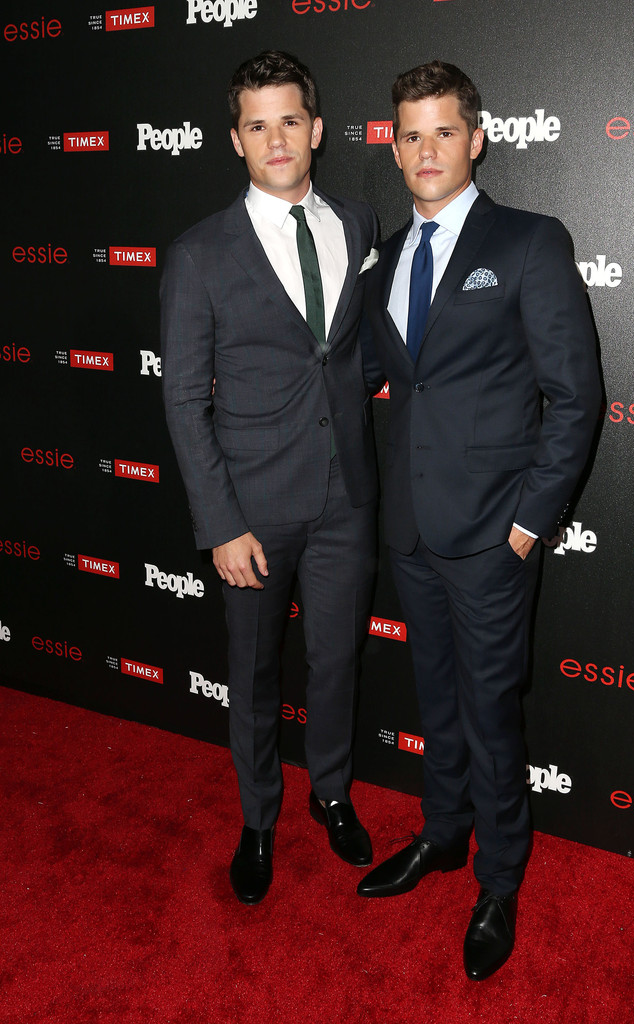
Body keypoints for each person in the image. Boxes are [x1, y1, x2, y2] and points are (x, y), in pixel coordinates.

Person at [357, 61, 600, 979]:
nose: (426, 150)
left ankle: (498, 879)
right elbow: (394, 383)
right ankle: (443, 836)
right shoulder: (386, 254)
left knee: (491, 714)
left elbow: (574, 397)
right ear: (392, 143)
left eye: (443, 132)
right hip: (412, 530)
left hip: (495, 534)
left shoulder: (531, 241)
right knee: (436, 702)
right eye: (409, 134)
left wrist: (529, 523)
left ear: (478, 138)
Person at [160, 51, 380, 905]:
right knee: (252, 675)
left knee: (335, 663)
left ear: (316, 130)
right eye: (257, 124)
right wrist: (218, 522)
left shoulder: (357, 222)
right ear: (235, 139)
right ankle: (258, 819)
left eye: (290, 119)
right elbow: (183, 398)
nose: (276, 138)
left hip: (346, 500)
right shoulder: (198, 254)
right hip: (251, 508)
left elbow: (351, 352)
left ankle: (330, 793)